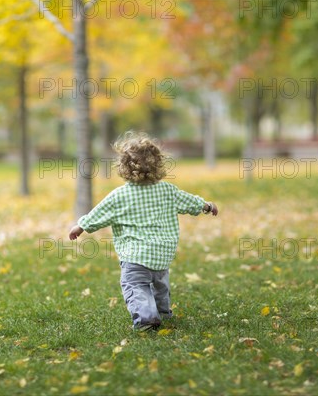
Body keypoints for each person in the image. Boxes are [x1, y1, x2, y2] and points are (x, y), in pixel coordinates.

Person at [68, 132, 218, 331]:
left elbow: (99, 214)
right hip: (162, 252)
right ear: (159, 164)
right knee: (159, 284)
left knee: (135, 285)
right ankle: (164, 312)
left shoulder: (120, 195)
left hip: (135, 256)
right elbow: (190, 202)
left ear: (124, 166)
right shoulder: (167, 190)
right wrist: (206, 206)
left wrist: (81, 226)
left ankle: (147, 318)